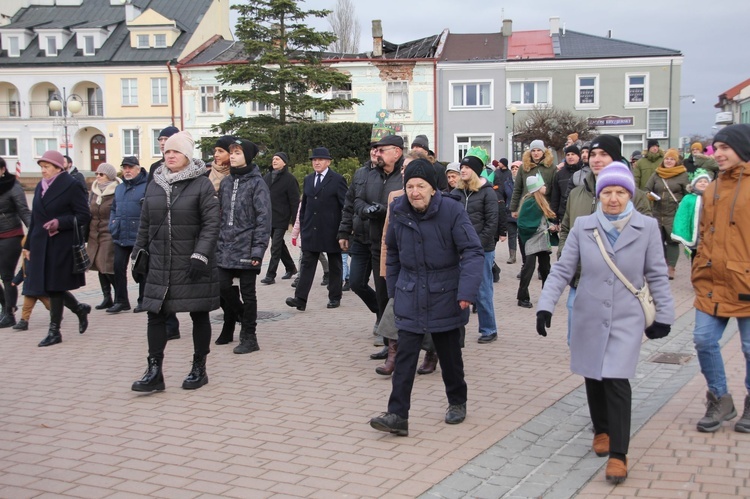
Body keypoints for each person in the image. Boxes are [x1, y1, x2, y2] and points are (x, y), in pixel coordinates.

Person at [536, 162, 675, 485]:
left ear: (630, 194)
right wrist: (546, 306)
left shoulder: (647, 228)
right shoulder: (585, 227)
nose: (614, 199)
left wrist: (665, 316)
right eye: (608, 192)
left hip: (627, 318)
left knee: (616, 379)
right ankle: (601, 430)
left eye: (621, 192)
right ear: (599, 195)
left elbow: (656, 275)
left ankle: (619, 454)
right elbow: (562, 269)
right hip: (588, 314)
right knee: (593, 375)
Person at [368, 159, 483, 436]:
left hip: (445, 294)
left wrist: (466, 291)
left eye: (421, 186)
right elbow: (392, 251)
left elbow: (472, 252)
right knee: (405, 356)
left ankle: (457, 401)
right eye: (409, 186)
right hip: (409, 292)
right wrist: (395, 289)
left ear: (433, 189)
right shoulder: (398, 211)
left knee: (449, 355)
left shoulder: (452, 211)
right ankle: (397, 415)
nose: (414, 191)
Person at [130, 131, 220, 392]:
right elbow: (145, 224)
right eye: (167, 151)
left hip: (192, 262)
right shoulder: (155, 183)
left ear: (187, 156)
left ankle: (198, 368)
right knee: (155, 314)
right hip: (160, 262)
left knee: (198, 313)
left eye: (176, 151)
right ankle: (154, 372)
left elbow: (212, 224)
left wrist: (201, 254)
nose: (170, 155)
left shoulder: (201, 184)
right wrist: (137, 254)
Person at [560, 135, 652, 342]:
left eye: (604, 154)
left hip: (618, 286)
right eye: (592, 154)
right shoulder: (576, 194)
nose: (596, 159)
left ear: (616, 159)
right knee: (578, 344)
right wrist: (566, 255)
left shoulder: (634, 196)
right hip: (581, 282)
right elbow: (566, 228)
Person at [690, 124, 750, 434]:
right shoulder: (711, 188)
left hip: (747, 282)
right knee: (703, 340)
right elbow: (704, 233)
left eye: (725, 148)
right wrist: (699, 264)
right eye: (717, 148)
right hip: (712, 280)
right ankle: (720, 398)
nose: (718, 154)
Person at [24, 150, 92, 347]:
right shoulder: (40, 187)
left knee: (54, 286)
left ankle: (54, 331)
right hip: (39, 242)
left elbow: (83, 215)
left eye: (46, 167)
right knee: (48, 286)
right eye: (41, 167)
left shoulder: (72, 185)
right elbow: (35, 218)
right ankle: (79, 308)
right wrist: (27, 245)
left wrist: (60, 222)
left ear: (57, 167)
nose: (43, 171)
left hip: (60, 243)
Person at [216, 139, 270, 354]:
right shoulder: (227, 182)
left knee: (249, 293)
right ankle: (237, 315)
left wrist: (258, 249)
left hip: (247, 247)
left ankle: (249, 336)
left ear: (247, 156)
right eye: (232, 153)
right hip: (225, 246)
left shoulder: (258, 183)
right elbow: (220, 215)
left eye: (237, 153)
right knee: (221, 287)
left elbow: (263, 219)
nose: (233, 156)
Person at [285, 147, 347, 311]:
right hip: (311, 229)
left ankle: (334, 296)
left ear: (328, 162)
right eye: (314, 160)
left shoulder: (337, 180)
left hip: (331, 229)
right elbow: (304, 205)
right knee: (307, 264)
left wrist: (344, 230)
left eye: (320, 159)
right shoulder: (308, 179)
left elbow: (345, 206)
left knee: (335, 264)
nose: (316, 162)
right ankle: (300, 298)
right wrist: (303, 225)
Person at [352, 135, 405, 324]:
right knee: (381, 293)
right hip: (376, 243)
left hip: (399, 245)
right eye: (376, 150)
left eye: (382, 150)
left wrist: (385, 210)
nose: (377, 154)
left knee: (396, 292)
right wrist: (366, 210)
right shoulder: (371, 175)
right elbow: (357, 200)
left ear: (397, 153)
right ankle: (386, 338)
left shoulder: (405, 177)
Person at [454, 153, 502, 342]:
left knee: (482, 290)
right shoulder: (456, 193)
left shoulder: (487, 192)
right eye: (461, 168)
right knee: (456, 290)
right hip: (458, 249)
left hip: (482, 250)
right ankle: (455, 330)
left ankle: (489, 329)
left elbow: (492, 223)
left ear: (475, 171)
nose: (463, 170)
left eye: (466, 168)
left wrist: (475, 247)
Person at [338, 144, 380, 344]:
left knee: (384, 286)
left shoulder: (394, 175)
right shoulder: (360, 173)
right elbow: (349, 205)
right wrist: (344, 231)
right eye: (372, 148)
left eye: (379, 149)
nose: (374, 152)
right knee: (356, 282)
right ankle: (380, 311)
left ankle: (384, 322)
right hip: (361, 238)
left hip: (381, 239)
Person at [147, 125, 181, 338]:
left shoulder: (188, 169)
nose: (162, 143)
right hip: (157, 232)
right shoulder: (154, 168)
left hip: (178, 232)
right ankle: (168, 322)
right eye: (161, 140)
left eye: (167, 139)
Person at [109, 156, 147, 313]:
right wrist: (112, 223)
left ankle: (143, 300)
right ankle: (121, 300)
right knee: (117, 267)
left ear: (138, 168)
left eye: (130, 167)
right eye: (124, 168)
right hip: (121, 234)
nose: (127, 170)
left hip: (139, 234)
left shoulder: (147, 186)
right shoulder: (119, 188)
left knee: (141, 268)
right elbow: (113, 208)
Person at [644, 148, 690, 280]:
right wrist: (649, 196)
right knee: (657, 241)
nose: (669, 161)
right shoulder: (657, 174)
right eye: (667, 159)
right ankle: (661, 265)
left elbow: (687, 195)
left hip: (673, 213)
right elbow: (647, 189)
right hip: (657, 212)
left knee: (672, 242)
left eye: (671, 159)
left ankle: (671, 268)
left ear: (676, 161)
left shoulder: (682, 175)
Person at [0, 156, 32, 328]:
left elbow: (24, 211)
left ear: (3, 169)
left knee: (6, 275)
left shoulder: (13, 186)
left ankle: (9, 314)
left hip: (10, 235)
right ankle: (7, 306)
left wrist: (34, 234)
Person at [86, 163, 121, 311]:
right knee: (98, 266)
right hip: (94, 233)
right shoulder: (93, 191)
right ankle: (107, 297)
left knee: (106, 265)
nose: (98, 177)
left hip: (109, 232)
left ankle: (120, 296)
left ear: (110, 176)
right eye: (97, 174)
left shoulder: (117, 190)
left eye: (101, 174)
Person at [261, 151, 299, 285]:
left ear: (284, 162)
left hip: (282, 218)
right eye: (273, 159)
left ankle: (270, 275)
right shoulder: (266, 177)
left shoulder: (289, 179)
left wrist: (296, 222)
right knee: (280, 245)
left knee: (275, 246)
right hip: (268, 218)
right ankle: (291, 267)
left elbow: (294, 202)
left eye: (277, 159)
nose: (274, 161)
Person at [516, 175, 554, 308]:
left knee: (545, 268)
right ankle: (522, 297)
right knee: (529, 267)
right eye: (542, 185)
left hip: (542, 239)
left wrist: (550, 225)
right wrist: (537, 229)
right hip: (531, 239)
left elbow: (542, 219)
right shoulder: (530, 202)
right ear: (537, 188)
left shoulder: (541, 201)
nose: (545, 187)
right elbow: (523, 222)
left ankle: (547, 295)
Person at [670, 169, 712, 262]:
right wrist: (679, 230)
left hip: (708, 232)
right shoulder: (688, 198)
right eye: (700, 181)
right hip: (693, 232)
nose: (703, 183)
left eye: (705, 182)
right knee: (695, 258)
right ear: (693, 184)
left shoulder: (713, 198)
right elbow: (682, 216)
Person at [550, 145, 582, 224]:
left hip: (582, 214)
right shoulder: (560, 174)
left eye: (573, 154)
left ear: (578, 156)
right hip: (564, 215)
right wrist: (554, 220)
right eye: (568, 155)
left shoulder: (584, 173)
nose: (570, 157)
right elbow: (555, 198)